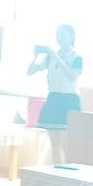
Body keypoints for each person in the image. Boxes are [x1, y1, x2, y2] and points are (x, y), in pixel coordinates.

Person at [28, 23, 83, 161]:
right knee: (54, 143)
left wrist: (55, 55)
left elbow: (72, 76)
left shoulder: (77, 57)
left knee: (66, 144)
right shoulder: (50, 57)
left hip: (70, 100)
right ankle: (56, 170)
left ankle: (68, 171)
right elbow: (29, 72)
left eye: (62, 35)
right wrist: (35, 57)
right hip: (54, 98)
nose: (59, 38)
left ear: (71, 36)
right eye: (57, 35)